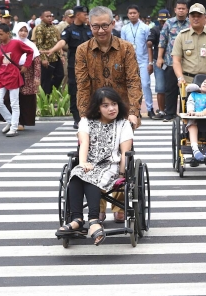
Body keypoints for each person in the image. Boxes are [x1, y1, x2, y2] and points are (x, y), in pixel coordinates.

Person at [75, 6, 143, 223]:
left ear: (113, 24)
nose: (101, 30)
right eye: (96, 26)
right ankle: (99, 206)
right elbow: (83, 86)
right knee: (91, 156)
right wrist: (85, 116)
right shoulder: (82, 50)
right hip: (95, 112)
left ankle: (120, 203)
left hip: (120, 112)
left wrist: (133, 113)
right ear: (90, 26)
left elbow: (133, 81)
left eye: (105, 25)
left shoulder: (126, 48)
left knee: (123, 158)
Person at [55, 87, 133, 246]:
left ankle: (93, 220)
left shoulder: (123, 124)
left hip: (111, 165)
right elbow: (84, 143)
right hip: (90, 162)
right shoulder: (86, 122)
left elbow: (125, 152)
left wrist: (122, 173)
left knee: (93, 176)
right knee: (76, 174)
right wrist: (83, 163)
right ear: (97, 108)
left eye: (114, 104)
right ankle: (77, 219)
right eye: (105, 105)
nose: (111, 108)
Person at [44, 6, 92, 129]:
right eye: (84, 14)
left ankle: (89, 116)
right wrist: (52, 50)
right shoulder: (69, 30)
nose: (86, 16)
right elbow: (63, 42)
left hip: (90, 65)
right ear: (77, 15)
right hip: (74, 65)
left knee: (90, 90)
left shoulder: (89, 29)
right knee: (74, 91)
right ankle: (77, 119)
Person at [0, 24, 34, 137]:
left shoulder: (16, 43)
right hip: (0, 77)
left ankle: (14, 127)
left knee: (14, 103)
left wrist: (26, 65)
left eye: (1, 34)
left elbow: (30, 52)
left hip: (13, 76)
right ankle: (10, 121)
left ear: (8, 33)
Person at [0, 22, 41, 132]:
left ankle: (22, 123)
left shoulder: (31, 45)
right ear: (16, 31)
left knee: (25, 99)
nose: (23, 33)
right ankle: (11, 121)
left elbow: (37, 62)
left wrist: (37, 77)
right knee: (7, 99)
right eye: (21, 30)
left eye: (25, 31)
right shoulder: (10, 43)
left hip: (27, 74)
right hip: (11, 74)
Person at [171, 3, 206, 94]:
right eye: (193, 16)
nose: (196, 18)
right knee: (187, 107)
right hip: (188, 81)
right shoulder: (182, 36)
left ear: (205, 18)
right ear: (189, 17)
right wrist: (180, 78)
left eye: (199, 16)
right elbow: (176, 60)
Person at [157, 0, 190, 122]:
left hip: (187, 63)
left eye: (183, 8)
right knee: (170, 89)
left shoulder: (191, 23)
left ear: (187, 10)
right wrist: (160, 58)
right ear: (175, 10)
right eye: (179, 8)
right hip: (170, 61)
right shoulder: (168, 23)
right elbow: (162, 41)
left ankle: (184, 113)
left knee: (187, 89)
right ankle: (170, 113)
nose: (181, 10)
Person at [121, 5, 154, 118]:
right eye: (130, 13)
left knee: (145, 84)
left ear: (138, 14)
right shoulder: (124, 28)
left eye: (134, 13)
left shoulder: (145, 28)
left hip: (143, 60)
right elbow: (122, 47)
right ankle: (135, 109)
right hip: (129, 61)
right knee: (131, 86)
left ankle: (150, 109)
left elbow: (149, 46)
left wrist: (150, 63)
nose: (132, 15)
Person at [34, 10, 64, 95]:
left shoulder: (53, 27)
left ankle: (50, 92)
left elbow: (58, 42)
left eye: (51, 16)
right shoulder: (40, 28)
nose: (50, 18)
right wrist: (43, 58)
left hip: (56, 56)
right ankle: (45, 99)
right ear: (42, 18)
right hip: (46, 58)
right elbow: (39, 45)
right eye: (47, 16)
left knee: (60, 75)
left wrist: (61, 56)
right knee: (46, 79)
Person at [148, 9, 170, 120]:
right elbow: (149, 43)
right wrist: (151, 62)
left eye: (164, 21)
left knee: (173, 88)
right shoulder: (155, 30)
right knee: (160, 87)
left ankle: (171, 110)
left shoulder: (173, 29)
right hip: (159, 61)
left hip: (172, 62)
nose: (163, 23)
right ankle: (161, 110)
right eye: (161, 21)